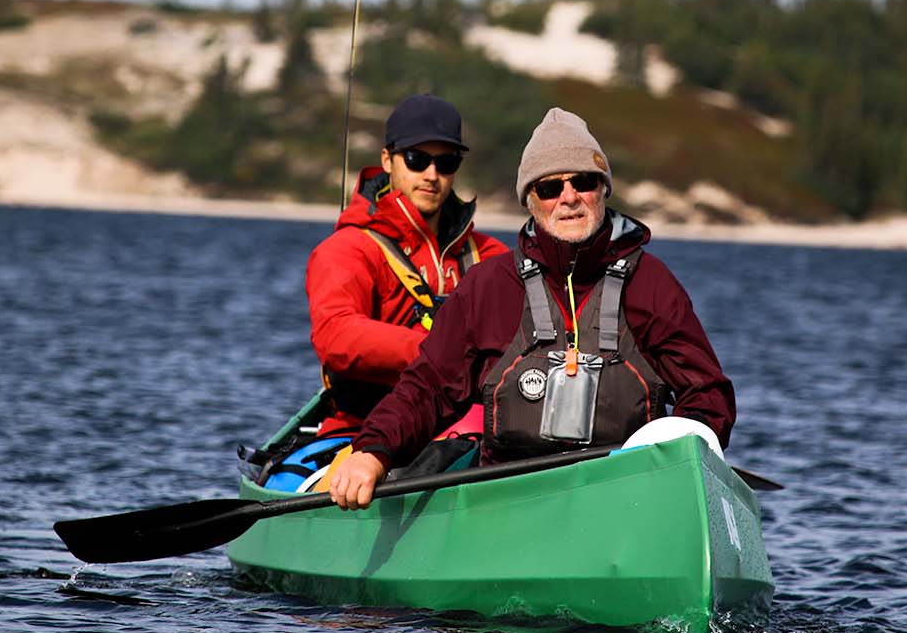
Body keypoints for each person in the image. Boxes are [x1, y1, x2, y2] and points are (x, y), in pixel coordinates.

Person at [328, 106, 737, 510]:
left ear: (603, 189)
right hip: (508, 501)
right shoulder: (488, 287)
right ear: (530, 201)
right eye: (550, 188)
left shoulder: (651, 284)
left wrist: (688, 448)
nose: (569, 198)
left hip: (623, 498)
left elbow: (706, 394)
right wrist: (373, 451)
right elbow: (427, 389)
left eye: (584, 182)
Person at [305, 93, 508, 439]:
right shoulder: (345, 249)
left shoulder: (491, 255)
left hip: (471, 426)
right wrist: (444, 349)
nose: (432, 174)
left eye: (447, 163)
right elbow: (336, 337)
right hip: (365, 427)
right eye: (417, 159)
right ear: (387, 160)